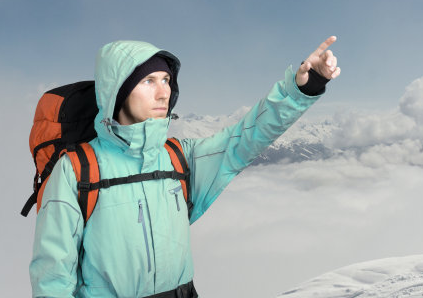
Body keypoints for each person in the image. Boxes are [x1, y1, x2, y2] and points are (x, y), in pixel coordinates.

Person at [29, 36, 341, 298]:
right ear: (118, 91)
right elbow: (53, 275)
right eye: (148, 81)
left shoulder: (178, 156)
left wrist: (302, 89)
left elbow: (245, 137)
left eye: (166, 80)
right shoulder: (77, 169)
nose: (163, 91)